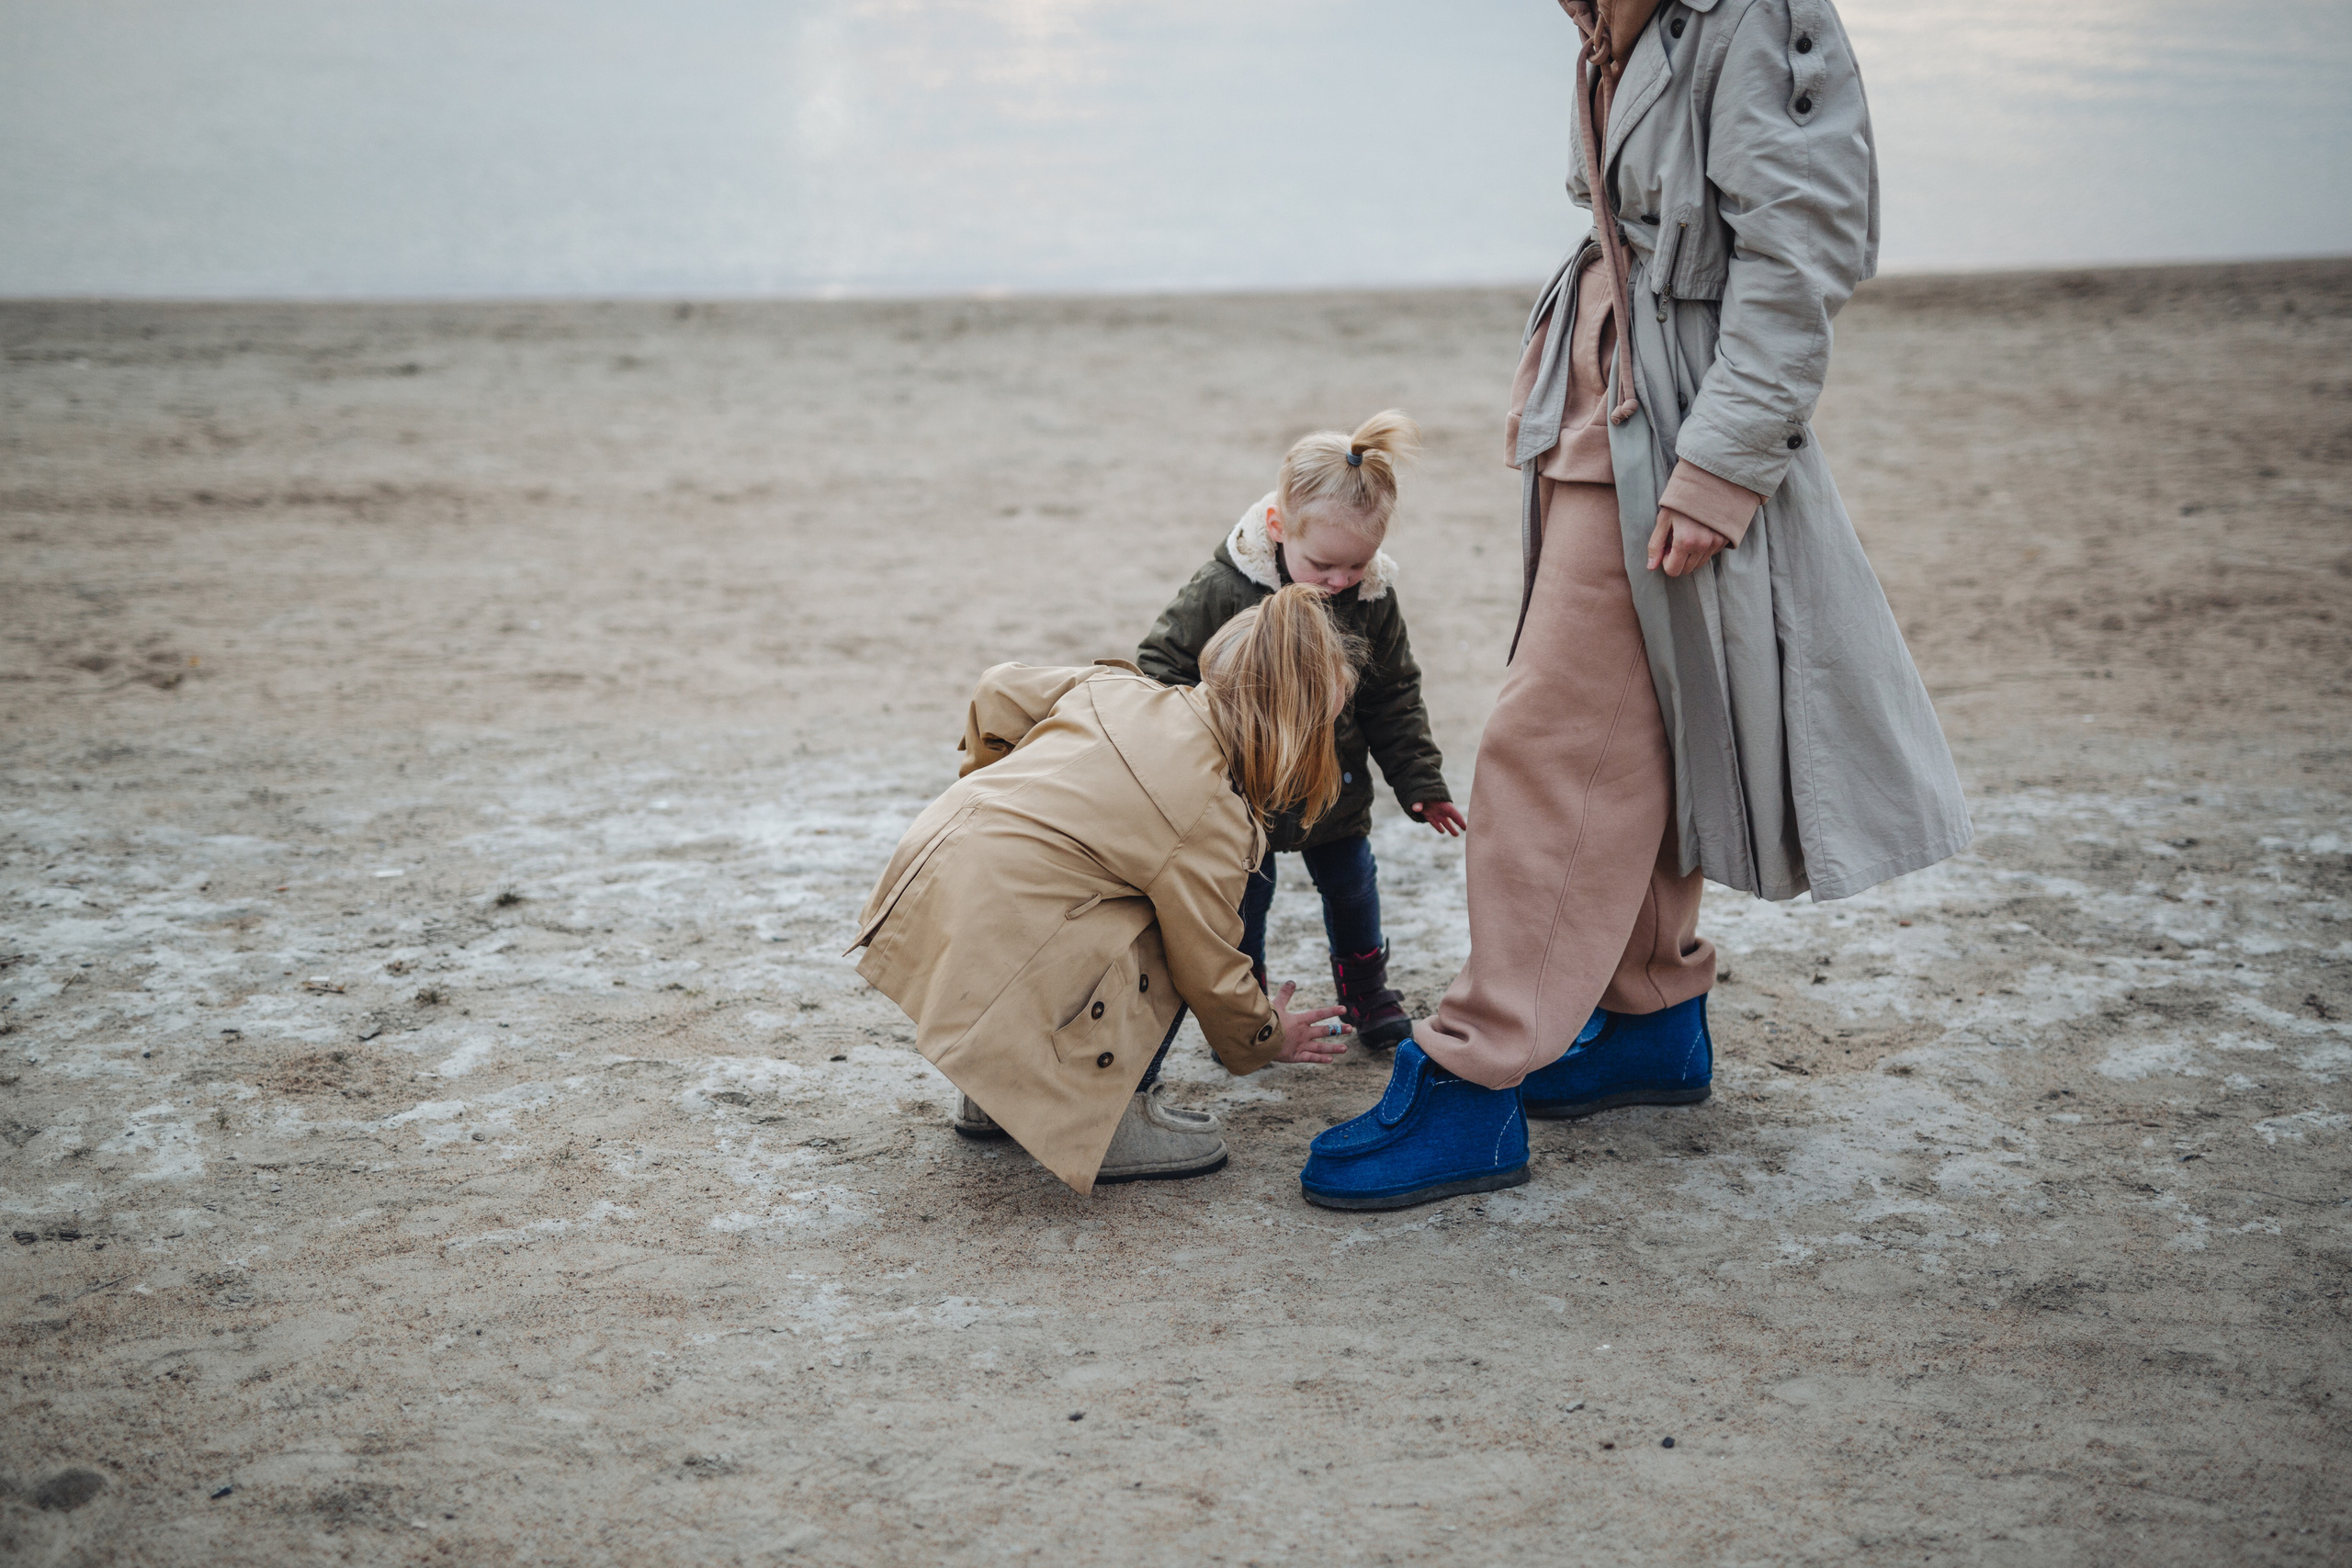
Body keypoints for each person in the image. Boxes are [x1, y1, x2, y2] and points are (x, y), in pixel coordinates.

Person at [1300, 0, 1973, 1211]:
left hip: (1668, 432)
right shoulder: (1619, 16)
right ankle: (1652, 1007)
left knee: (1544, 748)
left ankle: (1473, 1076)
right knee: (1644, 733)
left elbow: (1804, 242)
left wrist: (1721, 467)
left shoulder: (1753, 16)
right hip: (1606, 407)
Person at [849, 586, 1360, 1196]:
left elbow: (998, 689)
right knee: (1159, 924)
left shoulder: (1119, 689)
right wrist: (1267, 1034)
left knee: (1080, 881)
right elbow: (1209, 967)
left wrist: (998, 791)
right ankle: (1117, 1115)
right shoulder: (1211, 813)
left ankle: (996, 1096)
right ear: (1291, 730)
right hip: (1004, 922)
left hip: (930, 869)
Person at [1137, 411, 1462, 1052]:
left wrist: (1419, 778)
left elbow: (1393, 692)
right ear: (1279, 527)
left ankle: (1366, 989)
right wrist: (1206, 741)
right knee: (1245, 901)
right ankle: (1248, 1004)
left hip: (1335, 787)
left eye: (1357, 565)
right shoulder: (1225, 587)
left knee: (1352, 887)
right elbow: (1157, 669)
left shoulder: (1370, 596)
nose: (1340, 581)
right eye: (1324, 565)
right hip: (1244, 794)